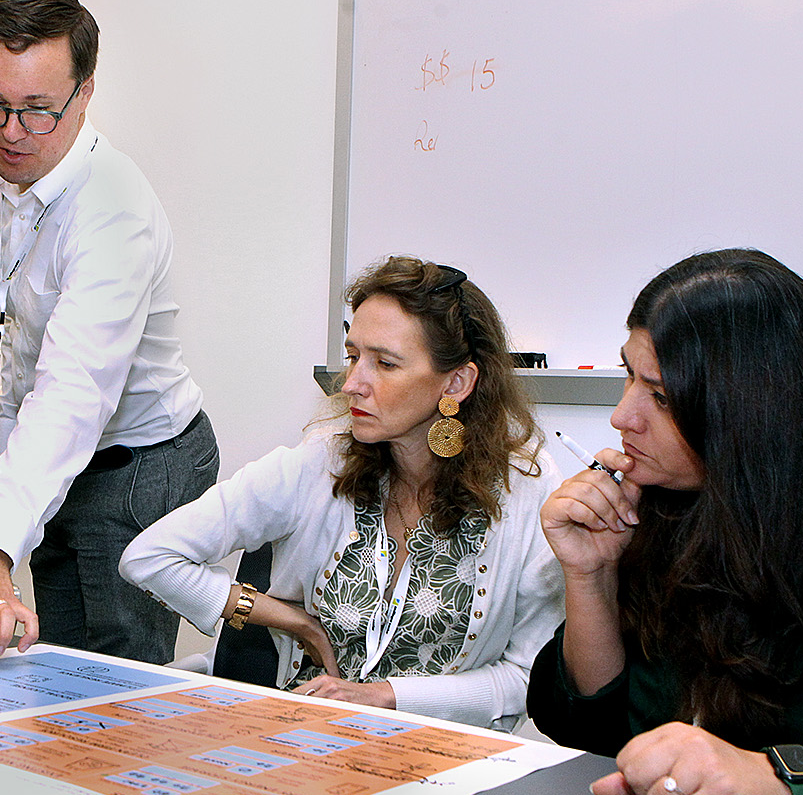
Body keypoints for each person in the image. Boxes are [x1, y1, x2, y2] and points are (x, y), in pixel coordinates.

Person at [528, 248, 803, 795]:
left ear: (752, 407)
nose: (621, 417)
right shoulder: (662, 491)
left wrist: (775, 784)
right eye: (627, 376)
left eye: (661, 397)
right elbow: (596, 733)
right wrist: (591, 578)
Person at [0, 0, 219, 665]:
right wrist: (8, 440)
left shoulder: (111, 209)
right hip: (67, 455)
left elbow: (77, 384)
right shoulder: (4, 173)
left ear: (84, 95)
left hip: (143, 462)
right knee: (53, 667)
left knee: (116, 688)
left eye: (37, 109)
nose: (11, 133)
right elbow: (12, 320)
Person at [121, 257, 564, 731]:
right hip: (302, 746)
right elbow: (149, 557)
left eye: (385, 363)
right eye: (354, 356)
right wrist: (288, 620)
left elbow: (526, 676)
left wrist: (386, 697)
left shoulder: (527, 490)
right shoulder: (320, 462)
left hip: (444, 763)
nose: (352, 383)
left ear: (456, 382)